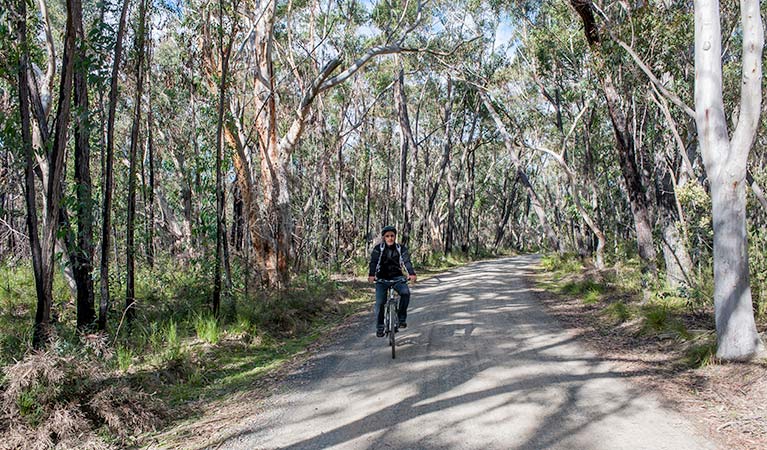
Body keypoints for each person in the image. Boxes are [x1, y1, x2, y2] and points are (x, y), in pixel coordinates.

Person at [368, 225, 417, 337]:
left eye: (392, 236)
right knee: (380, 303)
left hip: (397, 278)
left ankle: (401, 319)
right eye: (387, 236)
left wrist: (412, 273)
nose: (390, 238)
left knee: (405, 293)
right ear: (384, 238)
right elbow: (373, 263)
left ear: (395, 237)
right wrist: (371, 275)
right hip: (381, 279)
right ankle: (380, 326)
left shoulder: (401, 249)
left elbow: (407, 262)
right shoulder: (378, 249)